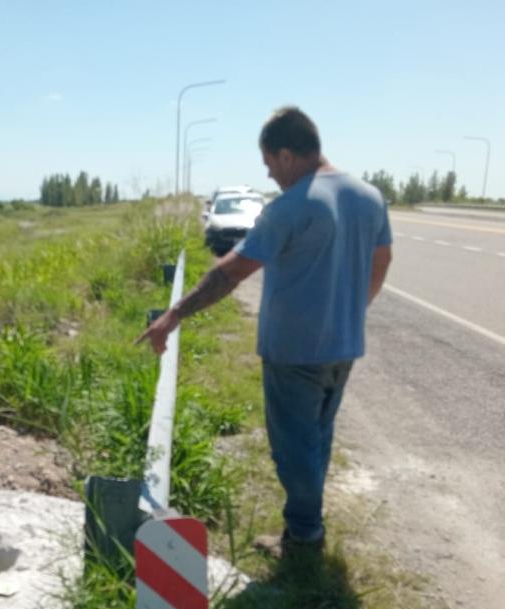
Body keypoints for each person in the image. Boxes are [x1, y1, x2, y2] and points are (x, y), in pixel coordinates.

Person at [137, 106, 392, 555]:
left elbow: (229, 273)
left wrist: (173, 314)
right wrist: (352, 309)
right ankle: (306, 525)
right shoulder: (369, 196)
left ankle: (304, 537)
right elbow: (382, 259)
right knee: (317, 438)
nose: (271, 175)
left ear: (288, 155)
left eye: (271, 164)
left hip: (295, 352)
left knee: (294, 448)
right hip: (344, 346)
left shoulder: (291, 207)